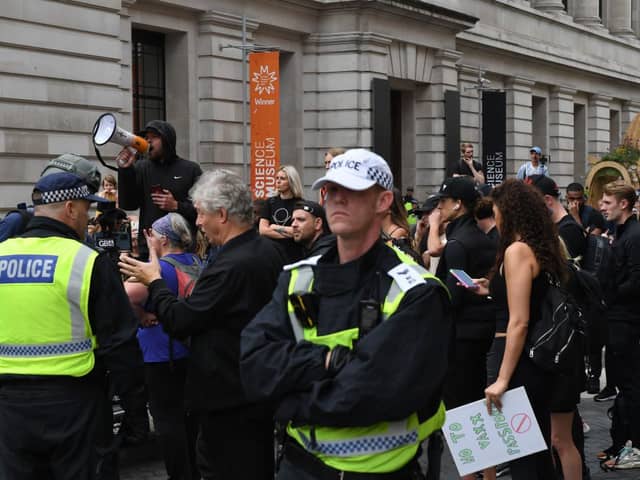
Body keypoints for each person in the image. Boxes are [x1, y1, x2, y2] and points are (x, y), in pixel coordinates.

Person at [240, 148, 451, 479]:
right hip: (299, 467)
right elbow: (254, 363)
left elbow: (373, 392)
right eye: (331, 190)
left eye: (351, 190)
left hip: (382, 471)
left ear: (382, 201)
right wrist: (328, 362)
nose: (337, 199)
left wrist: (286, 404)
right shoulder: (299, 278)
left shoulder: (415, 290)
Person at [119, 170, 283, 480]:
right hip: (255, 390)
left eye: (201, 214)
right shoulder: (266, 251)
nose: (197, 223)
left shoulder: (232, 264)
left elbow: (182, 321)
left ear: (222, 214)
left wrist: (154, 281)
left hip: (229, 397)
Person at [0, 170, 143, 479]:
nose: (88, 216)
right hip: (75, 406)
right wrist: (136, 414)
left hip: (9, 407)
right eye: (86, 208)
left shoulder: (2, 255)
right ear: (70, 209)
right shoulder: (86, 260)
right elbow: (120, 344)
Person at [472, 179, 566, 479]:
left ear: (509, 212)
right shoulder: (540, 247)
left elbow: (519, 320)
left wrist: (502, 378)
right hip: (532, 359)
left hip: (517, 358)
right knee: (534, 451)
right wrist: (491, 288)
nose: (494, 217)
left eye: (496, 210)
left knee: (521, 453)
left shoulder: (517, 251)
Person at [125, 213, 201, 480]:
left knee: (168, 422)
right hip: (189, 351)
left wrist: (141, 316)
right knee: (189, 420)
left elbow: (126, 294)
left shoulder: (161, 269)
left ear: (163, 239)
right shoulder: (195, 261)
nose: (149, 238)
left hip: (160, 353)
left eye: (152, 234)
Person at [433, 176, 497, 480]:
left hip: (461, 339)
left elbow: (451, 297)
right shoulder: (480, 238)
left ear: (457, 205)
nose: (438, 208)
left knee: (462, 413)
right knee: (478, 411)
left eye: (442, 202)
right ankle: (488, 474)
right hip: (483, 334)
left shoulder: (458, 244)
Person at [598, 181, 640, 469]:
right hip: (617, 318)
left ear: (623, 204)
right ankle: (620, 443)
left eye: (607, 201)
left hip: (626, 320)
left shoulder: (634, 236)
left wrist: (608, 296)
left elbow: (636, 281)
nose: (601, 205)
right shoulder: (621, 233)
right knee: (623, 386)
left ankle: (633, 447)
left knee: (630, 386)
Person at [116, 120, 202, 259]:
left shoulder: (191, 169)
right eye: (146, 138)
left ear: (167, 140)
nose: (148, 141)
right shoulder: (141, 167)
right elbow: (128, 205)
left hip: (181, 251)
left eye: (153, 137)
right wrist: (125, 171)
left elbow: (202, 211)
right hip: (149, 249)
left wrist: (176, 206)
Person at [258, 165, 305, 263]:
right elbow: (263, 230)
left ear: (291, 181)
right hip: (271, 254)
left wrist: (274, 227)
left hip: (293, 255)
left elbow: (299, 231)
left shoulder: (300, 204)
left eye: (282, 179)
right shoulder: (270, 202)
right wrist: (290, 233)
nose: (278, 181)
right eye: (277, 178)